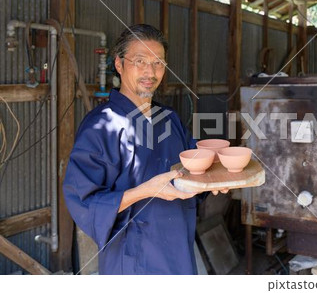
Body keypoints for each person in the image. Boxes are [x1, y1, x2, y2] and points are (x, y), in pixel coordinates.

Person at [63, 24, 226, 275]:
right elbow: (83, 200)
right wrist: (145, 191)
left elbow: (192, 170)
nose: (150, 71)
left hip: (179, 254)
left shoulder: (169, 119)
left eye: (158, 62)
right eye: (140, 61)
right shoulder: (101, 125)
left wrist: (214, 179)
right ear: (119, 64)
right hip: (134, 260)